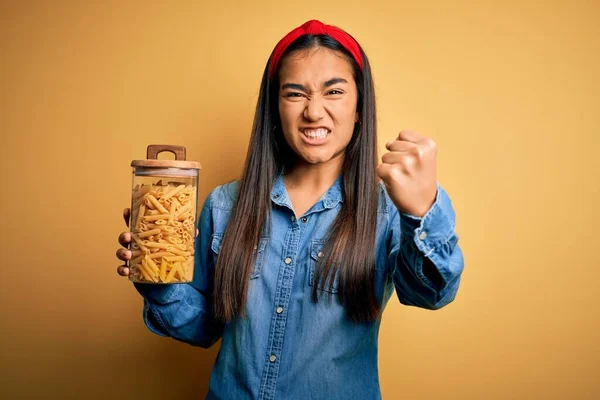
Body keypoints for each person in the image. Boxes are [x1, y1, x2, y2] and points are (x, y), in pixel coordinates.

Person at [116, 19, 464, 400]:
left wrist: (423, 211)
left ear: (360, 106)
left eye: (333, 91)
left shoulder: (387, 211)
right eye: (295, 94)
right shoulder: (223, 205)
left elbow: (432, 293)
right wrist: (159, 284)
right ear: (275, 110)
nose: (313, 112)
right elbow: (204, 328)